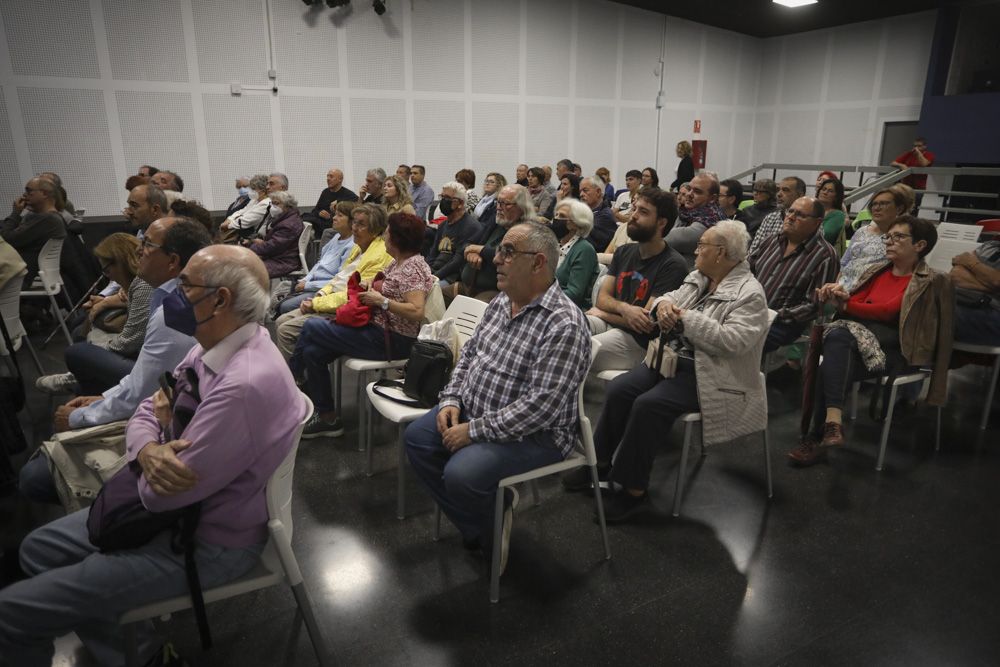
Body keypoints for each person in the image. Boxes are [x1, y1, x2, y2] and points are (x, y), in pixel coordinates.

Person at [0, 245, 308, 667]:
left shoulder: (244, 383)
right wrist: (147, 448)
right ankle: (143, 653)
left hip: (212, 539)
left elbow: (162, 495)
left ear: (220, 299)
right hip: (184, 513)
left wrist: (151, 440)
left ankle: (141, 655)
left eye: (185, 286)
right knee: (38, 548)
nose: (173, 295)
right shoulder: (214, 343)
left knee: (11, 615)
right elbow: (149, 406)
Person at [405, 221, 590, 568]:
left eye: (507, 252)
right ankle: (484, 518)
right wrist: (451, 401)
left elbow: (542, 407)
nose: (495, 260)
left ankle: (483, 518)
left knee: (461, 475)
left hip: (538, 434)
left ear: (537, 263)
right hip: (476, 411)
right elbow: (470, 355)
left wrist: (473, 431)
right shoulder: (502, 302)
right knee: (417, 439)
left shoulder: (564, 323)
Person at [564, 220, 769, 523]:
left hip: (711, 374)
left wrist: (685, 319)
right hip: (670, 360)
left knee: (649, 405)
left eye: (702, 246)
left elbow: (733, 342)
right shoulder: (699, 276)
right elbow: (668, 298)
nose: (696, 250)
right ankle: (602, 462)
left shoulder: (749, 294)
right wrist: (662, 306)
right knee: (621, 389)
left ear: (721, 252)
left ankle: (633, 489)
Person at [20, 218, 211, 502]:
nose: (139, 250)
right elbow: (147, 388)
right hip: (165, 410)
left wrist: (79, 418)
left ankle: (106, 523)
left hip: (175, 426)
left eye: (147, 244)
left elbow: (144, 395)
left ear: (172, 261)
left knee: (33, 477)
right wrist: (101, 399)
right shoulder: (173, 300)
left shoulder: (176, 313)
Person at [790, 217, 952, 465]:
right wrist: (839, 295)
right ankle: (830, 426)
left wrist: (845, 303)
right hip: (858, 344)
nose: (889, 241)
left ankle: (816, 435)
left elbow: (887, 312)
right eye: (889, 236)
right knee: (837, 345)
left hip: (898, 351)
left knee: (837, 340)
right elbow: (854, 306)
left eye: (898, 237)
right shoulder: (877, 271)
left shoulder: (930, 280)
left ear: (920, 245)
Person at [293, 213, 435, 438]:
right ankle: (328, 418)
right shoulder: (398, 262)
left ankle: (293, 383)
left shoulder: (411, 268)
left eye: (388, 233)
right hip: (376, 330)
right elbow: (388, 288)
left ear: (397, 239)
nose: (385, 237)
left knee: (311, 327)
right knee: (313, 352)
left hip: (393, 340)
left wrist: (382, 301)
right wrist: (372, 286)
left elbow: (417, 311)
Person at [36, 234, 153, 396]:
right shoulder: (140, 283)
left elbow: (129, 343)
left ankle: (80, 386)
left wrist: (97, 343)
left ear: (119, 262)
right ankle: (85, 386)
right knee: (81, 328)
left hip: (147, 368)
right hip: (143, 354)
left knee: (76, 351)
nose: (107, 275)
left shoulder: (143, 286)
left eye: (107, 269)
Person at [586, 188, 688, 375]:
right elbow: (602, 298)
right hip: (613, 323)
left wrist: (605, 313)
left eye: (643, 212)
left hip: (640, 343)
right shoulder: (624, 252)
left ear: (661, 223)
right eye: (634, 209)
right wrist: (624, 309)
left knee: (575, 351)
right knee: (565, 330)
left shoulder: (673, 265)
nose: (633, 216)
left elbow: (645, 324)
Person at [274, 205, 392, 359]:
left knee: (286, 329)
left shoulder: (378, 255)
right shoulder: (359, 248)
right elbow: (339, 277)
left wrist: (317, 303)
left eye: (361, 225)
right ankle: (302, 373)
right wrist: (320, 294)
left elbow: (355, 295)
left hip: (346, 309)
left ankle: (297, 378)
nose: (355, 228)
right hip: (330, 299)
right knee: (281, 320)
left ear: (376, 229)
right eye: (354, 223)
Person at [748, 197, 838, 353]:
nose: (790, 217)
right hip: (748, 312)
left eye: (800, 215)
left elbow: (814, 305)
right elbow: (746, 271)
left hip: (783, 324)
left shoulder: (825, 255)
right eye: (790, 211)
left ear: (817, 223)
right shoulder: (771, 241)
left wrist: (774, 315)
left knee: (739, 340)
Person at [278, 201, 357, 315]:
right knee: (279, 292)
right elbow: (320, 263)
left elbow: (339, 281)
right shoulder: (336, 237)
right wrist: (305, 280)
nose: (334, 218)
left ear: (351, 221)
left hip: (324, 289)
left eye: (340, 215)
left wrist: (308, 285)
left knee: (285, 306)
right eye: (335, 214)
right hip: (312, 283)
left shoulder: (351, 246)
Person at [458, 185, 535, 302]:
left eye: (506, 204)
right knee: (433, 294)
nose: (499, 207)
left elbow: (512, 256)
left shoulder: (525, 231)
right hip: (469, 286)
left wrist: (480, 250)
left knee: (471, 311)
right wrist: (471, 253)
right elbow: (466, 243)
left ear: (522, 207)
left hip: (498, 292)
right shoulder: (496, 223)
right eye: (498, 202)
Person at [839, 184, 914, 292]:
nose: (877, 208)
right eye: (874, 204)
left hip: (871, 294)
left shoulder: (902, 238)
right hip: (842, 289)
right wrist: (837, 286)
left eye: (883, 204)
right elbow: (844, 263)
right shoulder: (861, 231)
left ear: (899, 209)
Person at [1, 177, 66, 287]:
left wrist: (16, 213)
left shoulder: (46, 219)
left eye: (29, 191)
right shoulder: (48, 218)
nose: (24, 195)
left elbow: (6, 240)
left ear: (44, 194)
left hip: (19, 275)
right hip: (24, 272)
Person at [665, 173, 726, 266]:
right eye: (689, 189)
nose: (689, 194)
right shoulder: (687, 212)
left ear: (712, 198)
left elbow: (670, 239)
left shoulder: (711, 219)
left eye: (697, 191)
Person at [428, 182, 481, 288]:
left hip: (451, 277)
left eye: (447, 197)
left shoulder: (471, 226)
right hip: (435, 273)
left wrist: (434, 277)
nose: (443, 201)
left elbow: (457, 262)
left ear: (460, 203)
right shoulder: (443, 225)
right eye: (442, 196)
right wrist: (426, 272)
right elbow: (433, 253)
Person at [950, 240, 1000, 345]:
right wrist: (993, 286)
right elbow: (956, 275)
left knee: (933, 314)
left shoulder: (971, 258)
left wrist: (970, 263)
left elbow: (997, 281)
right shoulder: (988, 246)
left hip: (992, 312)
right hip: (960, 300)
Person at [552, 198, 598, 309]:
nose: (556, 219)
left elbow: (574, 293)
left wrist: (541, 297)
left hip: (570, 309)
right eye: (556, 215)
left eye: (562, 216)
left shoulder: (584, 250)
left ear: (577, 224)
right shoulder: (556, 246)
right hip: (552, 304)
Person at [247, 190, 305, 280]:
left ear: (287, 206)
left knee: (247, 270)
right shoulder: (287, 219)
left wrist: (251, 247)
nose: (273, 207)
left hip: (283, 262)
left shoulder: (288, 225)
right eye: (272, 203)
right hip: (278, 257)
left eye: (276, 203)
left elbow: (273, 246)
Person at [747, 176, 806, 256]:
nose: (779, 194)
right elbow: (754, 250)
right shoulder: (771, 217)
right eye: (778, 190)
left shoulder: (809, 220)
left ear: (800, 195)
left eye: (785, 190)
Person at [219, 173, 279, 240]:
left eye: (254, 189)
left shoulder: (266, 203)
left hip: (255, 238)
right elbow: (241, 211)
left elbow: (246, 220)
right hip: (243, 234)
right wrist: (229, 219)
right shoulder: (255, 200)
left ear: (263, 190)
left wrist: (227, 225)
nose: (251, 191)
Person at [302, 168, 357, 233]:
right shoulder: (325, 192)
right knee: (304, 216)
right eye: (327, 176)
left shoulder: (349, 195)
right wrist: (320, 213)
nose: (328, 179)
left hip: (332, 223)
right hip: (320, 221)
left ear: (340, 179)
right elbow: (315, 210)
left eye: (331, 176)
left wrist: (329, 216)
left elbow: (351, 214)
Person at [890, 137, 934, 210]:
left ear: (924, 147)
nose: (916, 148)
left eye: (919, 146)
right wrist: (901, 165)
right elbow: (893, 163)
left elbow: (924, 164)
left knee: (914, 208)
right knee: (902, 206)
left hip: (919, 187)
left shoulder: (929, 155)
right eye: (915, 146)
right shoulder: (909, 154)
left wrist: (918, 153)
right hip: (906, 186)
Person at [580, 176, 617, 252]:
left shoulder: (605, 216)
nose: (581, 194)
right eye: (580, 191)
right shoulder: (586, 213)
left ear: (598, 192)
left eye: (585, 190)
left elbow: (588, 244)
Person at [817, 177, 847, 251]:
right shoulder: (810, 209)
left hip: (823, 253)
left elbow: (825, 236)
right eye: (823, 189)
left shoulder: (838, 215)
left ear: (836, 196)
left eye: (830, 191)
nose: (825, 192)